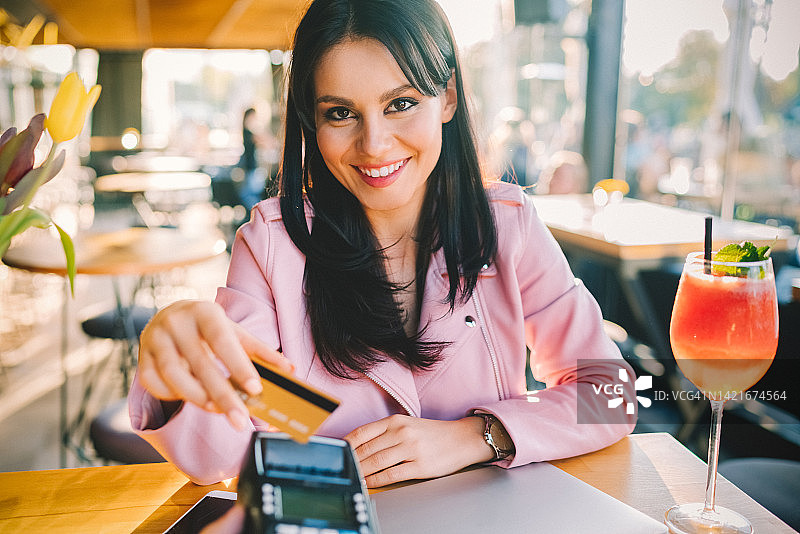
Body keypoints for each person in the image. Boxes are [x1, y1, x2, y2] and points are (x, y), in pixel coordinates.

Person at [130, 0, 636, 489]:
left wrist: (479, 436)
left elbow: (611, 396)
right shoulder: (272, 246)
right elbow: (219, 456)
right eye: (341, 114)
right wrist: (173, 369)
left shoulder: (507, 227)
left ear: (449, 97)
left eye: (401, 103)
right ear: (311, 120)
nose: (374, 144)